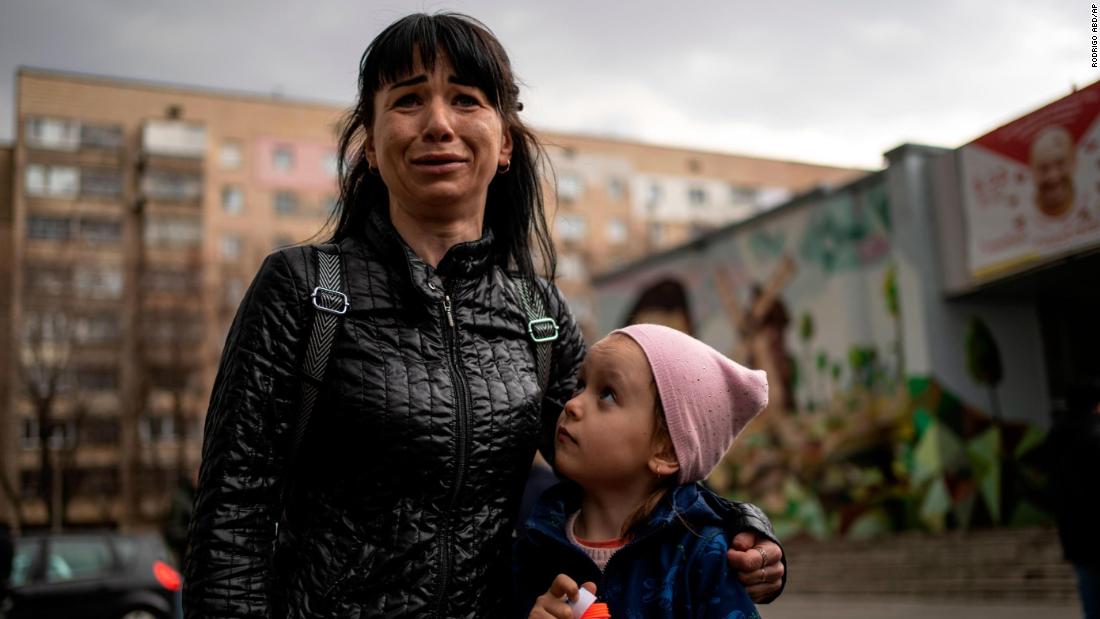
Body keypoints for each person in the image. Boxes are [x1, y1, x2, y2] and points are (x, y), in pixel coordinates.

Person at [183, 13, 785, 618]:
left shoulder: (537, 314)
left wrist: (741, 529)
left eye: (465, 100)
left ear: (503, 144)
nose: (438, 123)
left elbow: (631, 455)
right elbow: (233, 514)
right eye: (409, 100)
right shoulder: (303, 289)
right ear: (369, 142)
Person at [517, 324, 769, 618]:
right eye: (580, 385)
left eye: (608, 395)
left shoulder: (702, 557)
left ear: (665, 451)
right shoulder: (537, 542)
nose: (572, 404)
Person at [1048, 381, 1100, 618]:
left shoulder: (1056, 435)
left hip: (1074, 532)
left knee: (1091, 598)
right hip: (1092, 525)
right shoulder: (1093, 430)